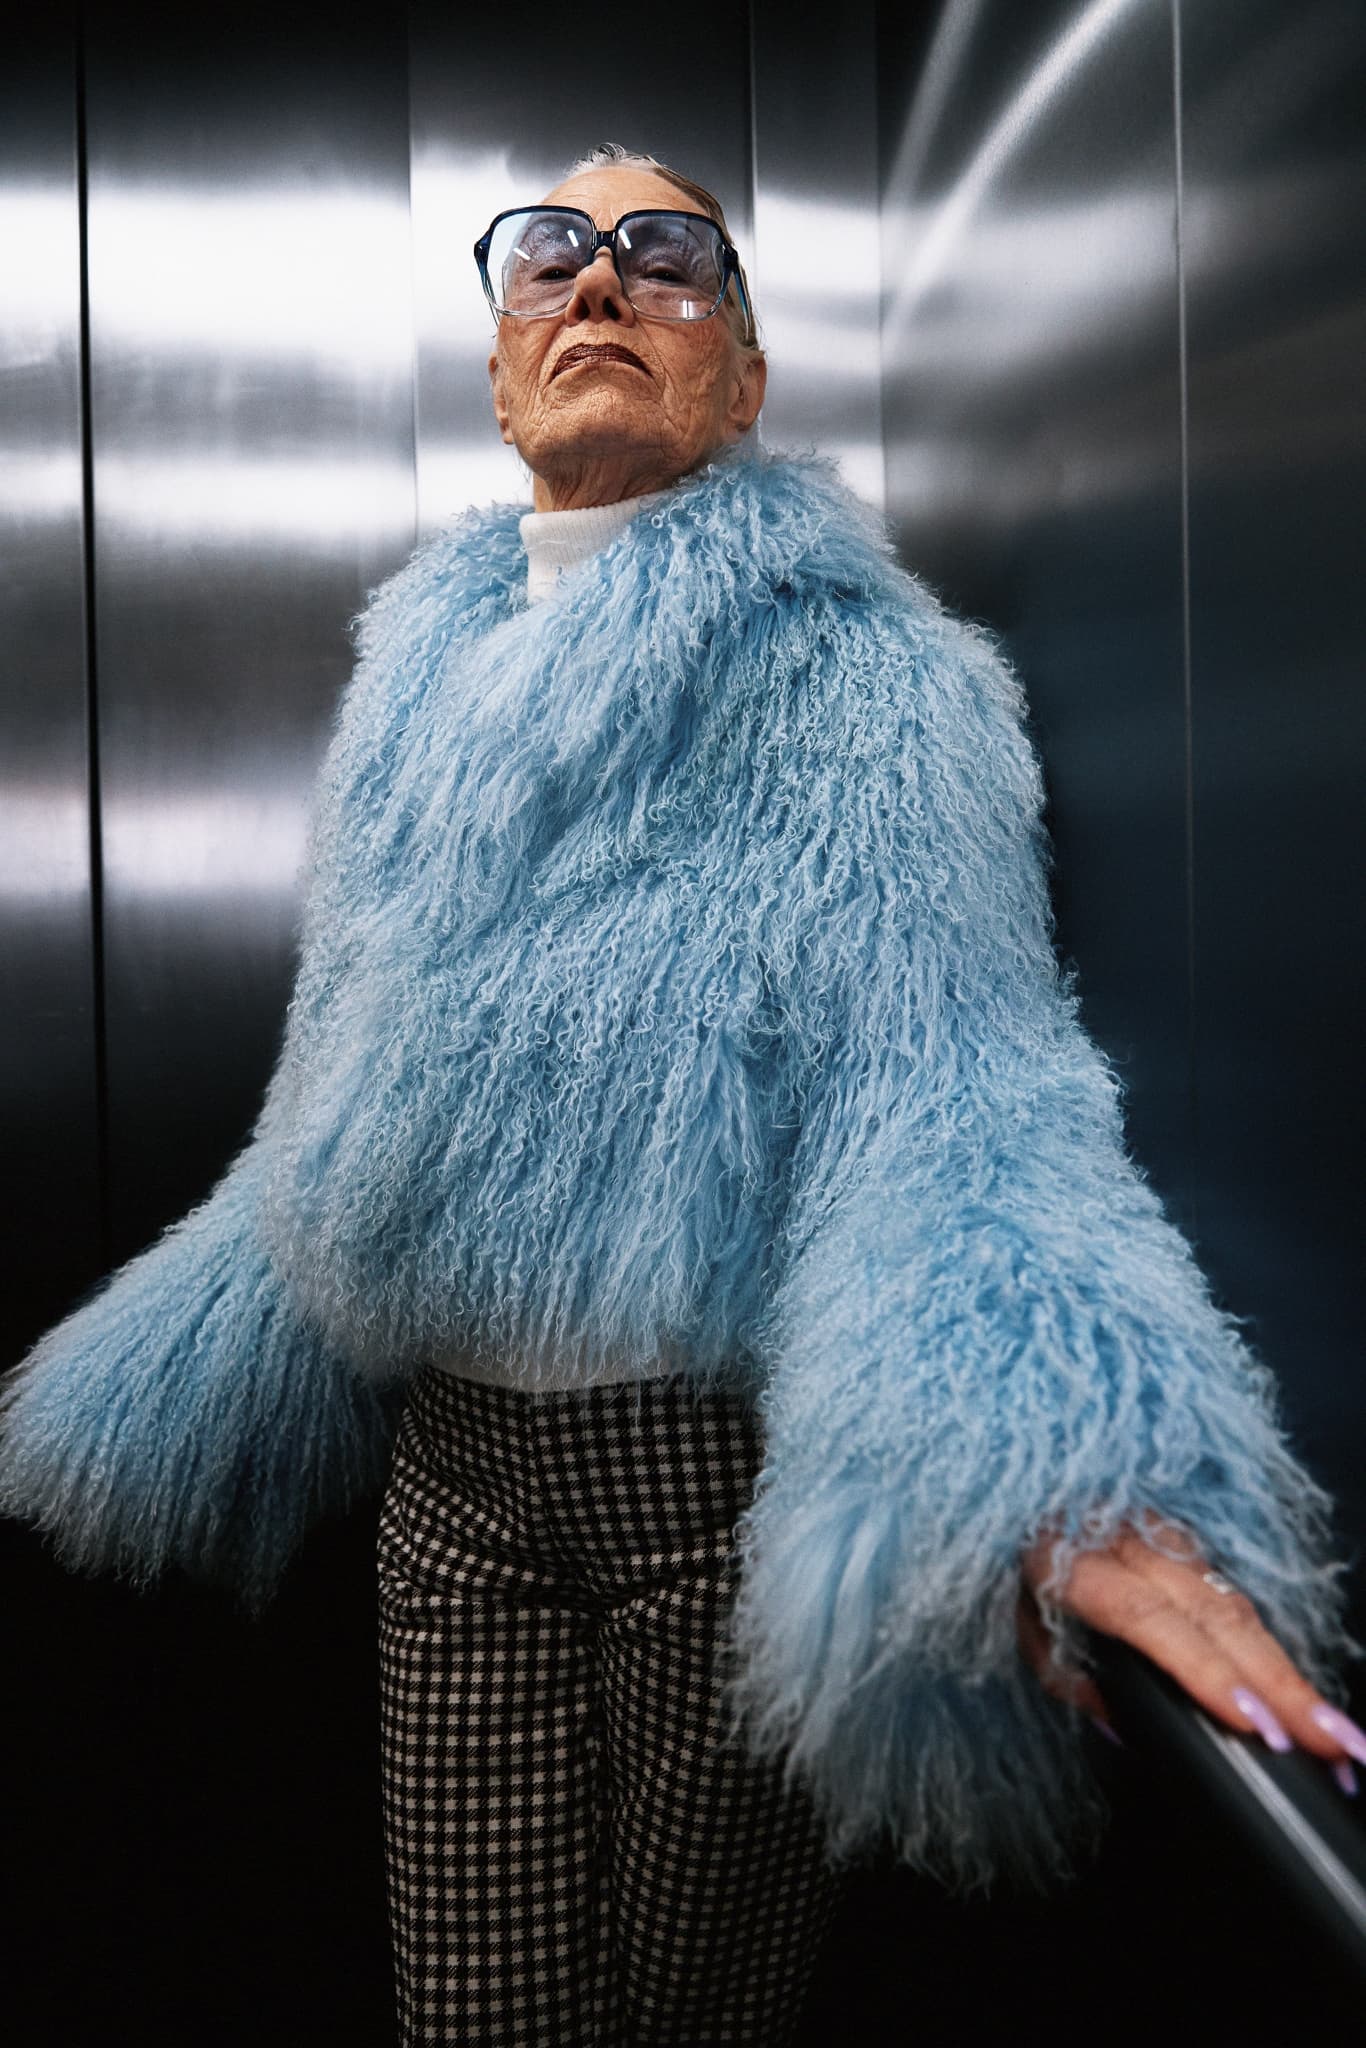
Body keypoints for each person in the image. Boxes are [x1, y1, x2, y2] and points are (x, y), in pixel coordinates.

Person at [1, 141, 1363, 2048]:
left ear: (741, 376)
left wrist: (1060, 1457)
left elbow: (949, 1090)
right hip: (448, 1480)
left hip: (694, 1484)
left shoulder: (870, 681)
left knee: (691, 2021)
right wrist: (196, 1325)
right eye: (549, 252)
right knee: (471, 2016)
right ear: (501, 372)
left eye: (665, 255)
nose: (597, 281)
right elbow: (341, 1067)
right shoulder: (414, 681)